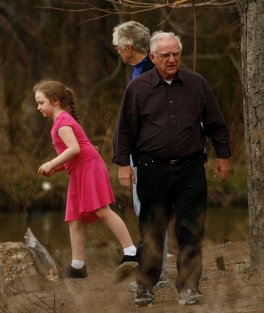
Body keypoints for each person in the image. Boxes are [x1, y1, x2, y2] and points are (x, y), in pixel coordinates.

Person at [113, 31, 230, 306]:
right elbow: (125, 129)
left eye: (175, 54)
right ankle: (145, 286)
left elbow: (216, 123)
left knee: (191, 229)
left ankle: (189, 288)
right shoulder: (138, 88)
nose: (171, 59)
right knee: (152, 230)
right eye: (165, 55)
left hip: (191, 169)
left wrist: (222, 156)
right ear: (152, 57)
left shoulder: (196, 84)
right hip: (152, 169)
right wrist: (122, 165)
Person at [34, 80, 138, 278]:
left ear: (55, 101)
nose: (38, 107)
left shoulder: (63, 122)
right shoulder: (60, 122)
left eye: (41, 102)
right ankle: (78, 266)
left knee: (102, 210)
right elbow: (73, 155)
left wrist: (50, 163)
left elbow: (75, 149)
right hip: (79, 170)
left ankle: (131, 252)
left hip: (90, 168)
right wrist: (54, 170)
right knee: (74, 218)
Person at [112, 20, 170, 286]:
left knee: (149, 212)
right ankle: (158, 269)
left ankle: (154, 274)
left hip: (149, 157)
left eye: (117, 47)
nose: (117, 52)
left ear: (127, 46)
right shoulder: (140, 71)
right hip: (144, 156)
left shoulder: (148, 71)